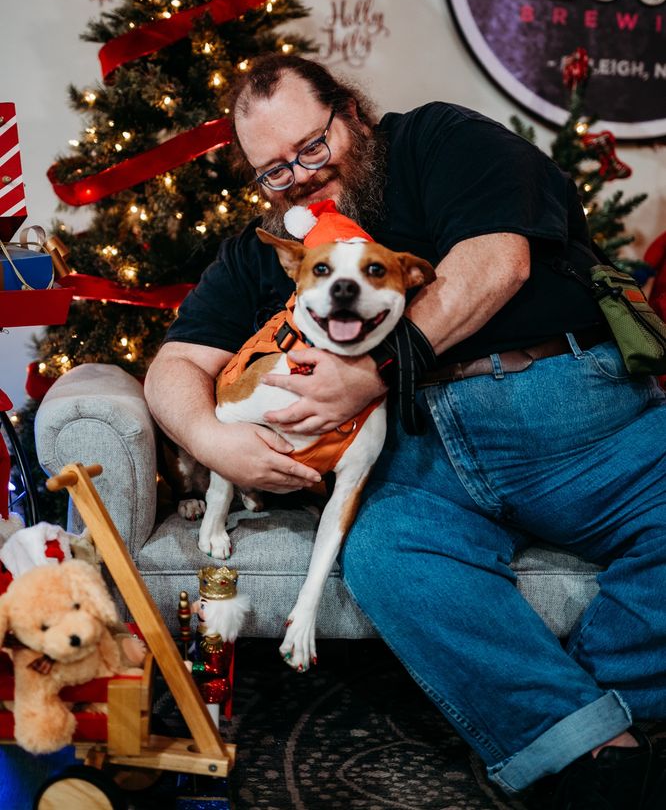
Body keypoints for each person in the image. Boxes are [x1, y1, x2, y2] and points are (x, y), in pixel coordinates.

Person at [145, 54, 666, 809]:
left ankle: (576, 712)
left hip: (565, 415)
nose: (301, 177)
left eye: (312, 148)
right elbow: (175, 366)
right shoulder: (271, 251)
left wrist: (377, 368)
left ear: (353, 113)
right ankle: (596, 748)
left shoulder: (440, 141)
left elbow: (499, 259)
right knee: (388, 558)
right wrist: (212, 440)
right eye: (275, 171)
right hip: (414, 458)